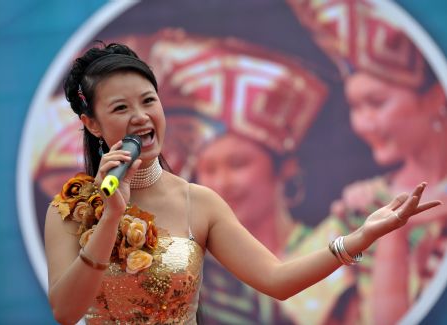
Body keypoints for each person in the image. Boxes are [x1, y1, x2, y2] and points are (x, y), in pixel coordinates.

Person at [44, 41, 440, 325]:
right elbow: (65, 312)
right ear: (91, 124)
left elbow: (277, 281)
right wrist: (109, 219)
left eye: (149, 101)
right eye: (120, 108)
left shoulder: (197, 202)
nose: (141, 117)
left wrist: (360, 238)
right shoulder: (72, 208)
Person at [141, 30, 327, 324]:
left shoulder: (330, 245)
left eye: (238, 164)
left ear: (285, 168)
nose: (223, 183)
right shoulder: (195, 271)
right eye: (209, 170)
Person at [281, 0, 447, 324]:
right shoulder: (363, 205)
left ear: (436, 98)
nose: (364, 123)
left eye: (376, 103)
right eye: (356, 107)